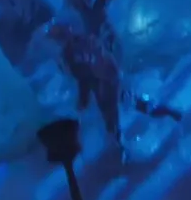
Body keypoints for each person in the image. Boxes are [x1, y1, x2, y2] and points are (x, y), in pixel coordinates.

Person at [47, 21, 182, 163]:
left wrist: (84, 100)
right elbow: (97, 64)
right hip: (109, 80)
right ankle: (163, 113)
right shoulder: (84, 42)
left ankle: (122, 149)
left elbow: (85, 77)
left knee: (113, 118)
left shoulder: (73, 52)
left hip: (106, 84)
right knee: (128, 105)